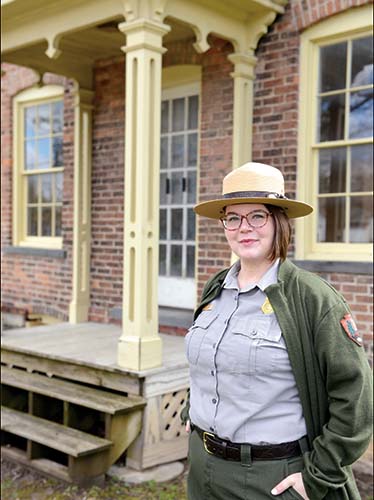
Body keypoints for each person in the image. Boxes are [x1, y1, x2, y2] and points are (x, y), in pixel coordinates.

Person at [181, 162, 372, 500]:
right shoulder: (215, 288)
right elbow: (208, 358)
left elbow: (355, 399)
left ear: (279, 221)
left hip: (271, 478)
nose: (244, 228)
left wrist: (317, 476)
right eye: (233, 217)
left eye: (257, 216)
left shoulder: (312, 298)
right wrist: (190, 410)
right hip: (203, 468)